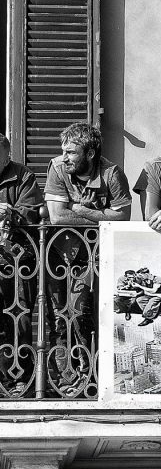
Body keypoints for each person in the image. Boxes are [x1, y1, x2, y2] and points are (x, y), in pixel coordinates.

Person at [44, 122, 132, 393]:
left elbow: (123, 217)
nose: (64, 157)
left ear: (90, 153)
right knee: (58, 317)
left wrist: (78, 209)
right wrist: (96, 214)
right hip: (57, 255)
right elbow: (57, 217)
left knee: (84, 314)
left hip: (94, 256)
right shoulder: (57, 167)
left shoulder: (112, 173)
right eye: (63, 151)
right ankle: (62, 380)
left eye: (71, 152)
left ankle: (88, 377)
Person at [0, 133, 43, 396]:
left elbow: (34, 210)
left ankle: (18, 379)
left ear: (6, 156)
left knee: (18, 318)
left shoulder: (22, 175)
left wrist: (11, 212)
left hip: (15, 259)